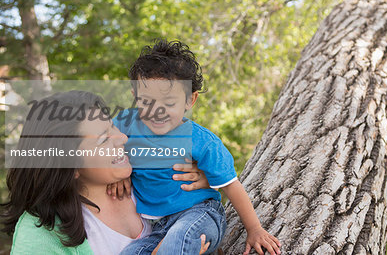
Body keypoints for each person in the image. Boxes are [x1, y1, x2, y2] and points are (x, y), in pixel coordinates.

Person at [115, 39, 282, 255]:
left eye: (168, 103)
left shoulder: (201, 141)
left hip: (199, 214)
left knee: (178, 241)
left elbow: (232, 186)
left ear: (190, 100)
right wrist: (118, 171)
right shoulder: (127, 123)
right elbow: (103, 142)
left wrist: (255, 229)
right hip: (158, 227)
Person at [1, 91, 211, 254]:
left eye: (112, 126)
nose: (122, 138)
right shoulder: (40, 234)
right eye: (103, 139)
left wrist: (204, 181)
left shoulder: (144, 174)